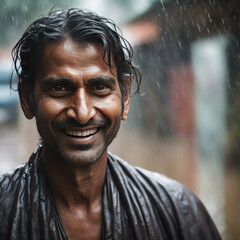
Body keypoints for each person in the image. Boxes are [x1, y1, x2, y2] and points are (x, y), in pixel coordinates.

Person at [0, 8, 221, 240]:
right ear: (27, 100)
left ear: (124, 97)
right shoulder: (6, 212)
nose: (82, 113)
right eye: (59, 88)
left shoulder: (178, 212)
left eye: (100, 87)